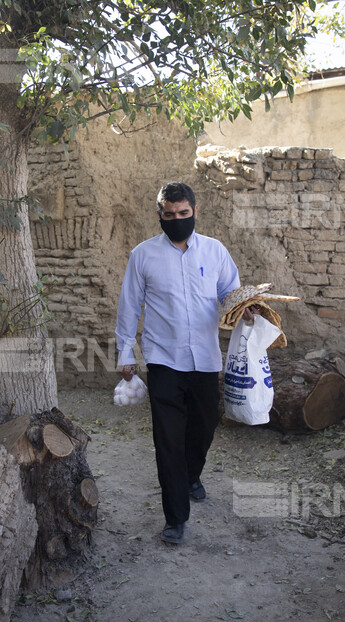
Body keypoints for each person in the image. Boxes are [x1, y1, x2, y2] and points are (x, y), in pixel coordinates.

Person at [115, 182, 253, 545]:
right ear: (159, 214)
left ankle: (192, 476)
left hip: (206, 359)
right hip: (164, 359)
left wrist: (246, 310)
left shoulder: (215, 251)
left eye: (183, 214)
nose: (176, 220)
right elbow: (129, 307)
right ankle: (175, 517)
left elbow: (230, 295)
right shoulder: (142, 256)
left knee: (204, 428)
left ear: (194, 210)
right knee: (168, 440)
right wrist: (125, 354)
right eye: (169, 214)